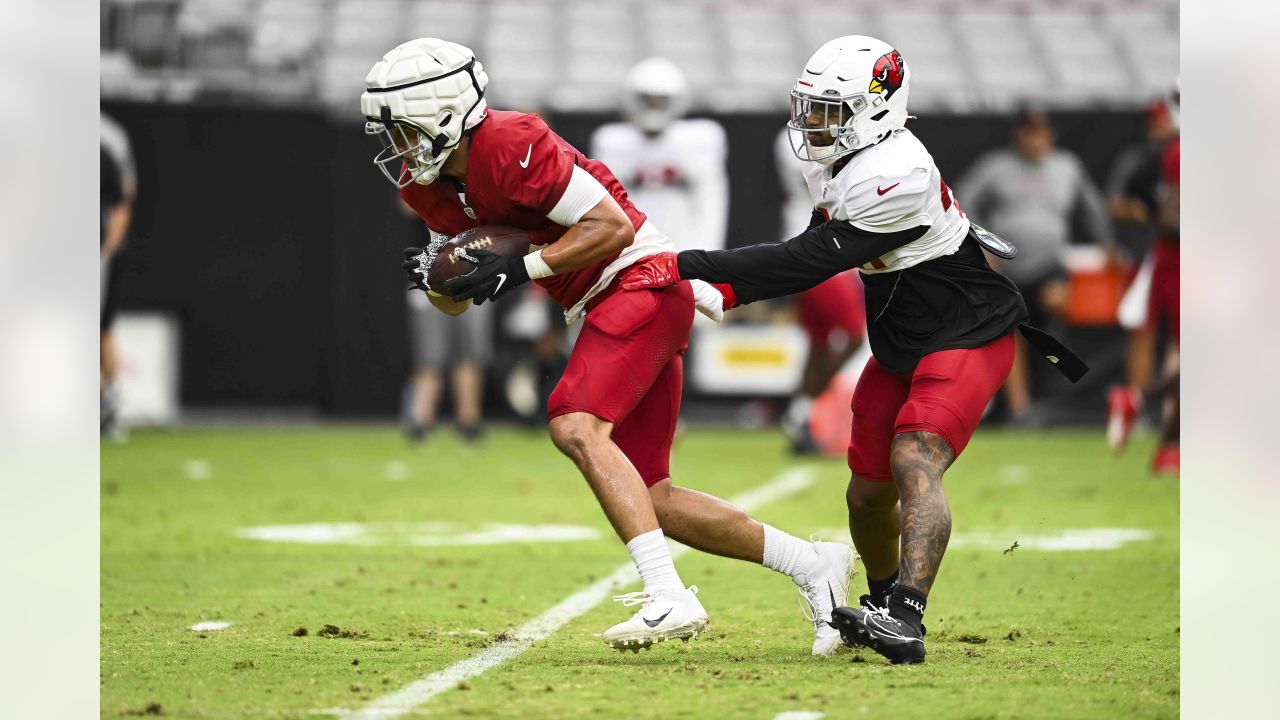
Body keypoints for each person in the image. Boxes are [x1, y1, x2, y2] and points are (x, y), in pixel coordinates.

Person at [363, 38, 854, 654]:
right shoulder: (427, 188)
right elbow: (463, 290)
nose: (397, 148)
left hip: (641, 277)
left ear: (440, 114)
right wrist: (441, 283)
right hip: (605, 298)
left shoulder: (510, 143)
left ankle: (667, 594)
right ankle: (814, 565)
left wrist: (519, 271)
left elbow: (611, 227)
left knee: (574, 424)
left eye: (404, 130)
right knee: (654, 500)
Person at [620, 35, 1085, 663]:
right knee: (866, 494)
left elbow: (809, 259)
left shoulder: (898, 171)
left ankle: (908, 618)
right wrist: (722, 289)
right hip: (902, 339)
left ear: (877, 108)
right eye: (809, 107)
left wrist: (685, 265)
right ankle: (881, 601)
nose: (812, 123)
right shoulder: (844, 159)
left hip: (967, 331)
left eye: (830, 109)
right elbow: (816, 239)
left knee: (913, 454)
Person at [957, 107, 1113, 425]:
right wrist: (983, 247)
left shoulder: (1066, 167)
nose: (1035, 139)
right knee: (1011, 331)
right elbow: (962, 202)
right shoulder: (995, 167)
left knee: (1055, 303)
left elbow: (1092, 207)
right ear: (1018, 135)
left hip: (1049, 265)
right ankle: (1020, 409)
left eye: (1040, 131)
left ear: (1049, 134)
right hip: (1007, 268)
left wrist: (1107, 243)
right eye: (1029, 132)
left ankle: (1054, 383)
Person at [774, 128, 866, 455]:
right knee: (854, 336)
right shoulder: (796, 141)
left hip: (819, 249)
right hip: (818, 251)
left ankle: (799, 414)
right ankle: (805, 406)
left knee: (818, 343)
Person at [1107, 88, 1180, 473]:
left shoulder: (1170, 153)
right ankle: (1153, 418)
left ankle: (1157, 425)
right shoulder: (1163, 155)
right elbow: (1166, 218)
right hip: (1166, 257)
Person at [590, 58, 728, 258]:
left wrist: (707, 251)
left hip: (684, 245)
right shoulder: (612, 141)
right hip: (632, 247)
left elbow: (710, 202)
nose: (654, 107)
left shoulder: (701, 138)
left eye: (661, 100)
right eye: (648, 100)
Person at [397, 197, 491, 444]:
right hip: (429, 272)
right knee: (430, 355)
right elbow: (407, 205)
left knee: (471, 353)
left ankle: (468, 422)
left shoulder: (473, 174)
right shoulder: (422, 175)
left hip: (472, 271)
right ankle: (421, 420)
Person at [101, 112, 136, 441]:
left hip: (100, 253)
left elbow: (122, 199)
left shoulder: (106, 141)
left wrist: (106, 250)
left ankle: (109, 409)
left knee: (101, 329)